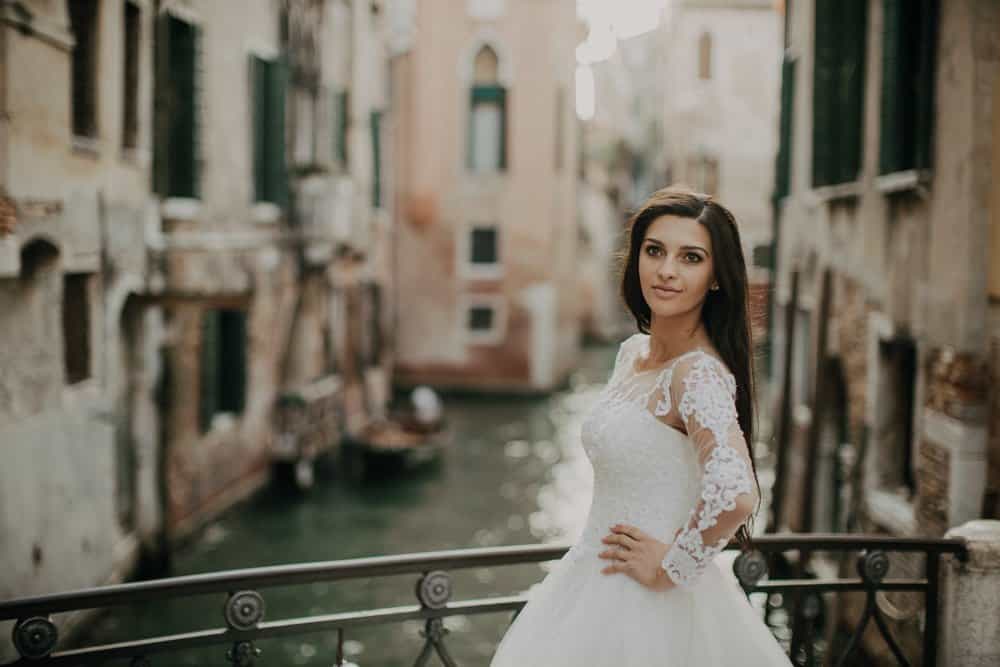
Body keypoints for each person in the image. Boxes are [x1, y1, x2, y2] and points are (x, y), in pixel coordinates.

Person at [490, 187, 791, 665]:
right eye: (655, 251)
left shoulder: (698, 373)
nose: (667, 270)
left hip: (649, 602)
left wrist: (671, 566)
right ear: (636, 260)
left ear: (716, 277)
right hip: (590, 578)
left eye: (690, 257)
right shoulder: (633, 353)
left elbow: (736, 493)